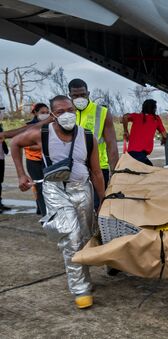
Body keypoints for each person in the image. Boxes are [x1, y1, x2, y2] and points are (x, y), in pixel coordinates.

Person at [11, 95, 105, 309]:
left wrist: (104, 199)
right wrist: (20, 174)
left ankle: (85, 277)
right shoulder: (42, 134)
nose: (66, 115)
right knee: (70, 237)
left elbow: (97, 172)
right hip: (55, 191)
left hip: (83, 190)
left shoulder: (87, 136)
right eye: (60, 111)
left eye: (69, 110)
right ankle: (80, 288)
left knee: (84, 237)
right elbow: (15, 143)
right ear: (52, 115)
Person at [68, 78, 118, 205]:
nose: (80, 98)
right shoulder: (64, 113)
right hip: (72, 169)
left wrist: (116, 172)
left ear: (88, 93)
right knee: (76, 207)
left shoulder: (102, 112)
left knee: (99, 206)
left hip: (99, 169)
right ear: (69, 95)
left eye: (83, 95)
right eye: (75, 95)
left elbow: (111, 145)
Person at [122, 99, 167, 166]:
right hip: (140, 155)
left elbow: (125, 117)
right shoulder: (156, 119)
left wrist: (126, 131)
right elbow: (165, 135)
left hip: (131, 153)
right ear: (154, 109)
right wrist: (164, 140)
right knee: (150, 171)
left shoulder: (136, 116)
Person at [25, 103, 50, 215]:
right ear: (35, 113)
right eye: (42, 113)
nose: (45, 115)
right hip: (33, 161)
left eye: (47, 112)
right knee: (39, 187)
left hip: (47, 160)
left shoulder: (51, 125)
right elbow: (27, 144)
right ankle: (43, 211)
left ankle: (45, 208)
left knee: (49, 186)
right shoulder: (29, 126)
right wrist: (43, 145)